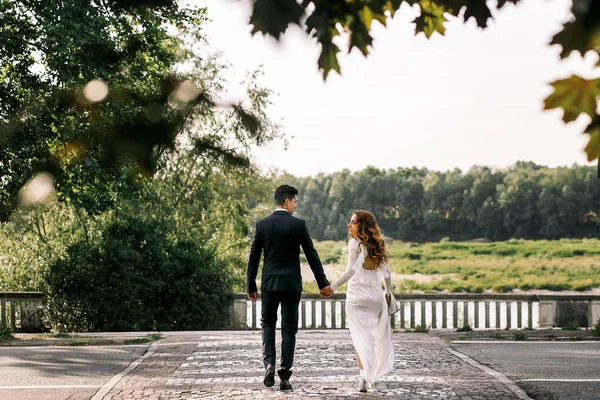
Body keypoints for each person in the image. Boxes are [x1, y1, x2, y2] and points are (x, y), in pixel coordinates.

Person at [247, 184, 333, 391]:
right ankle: (284, 376)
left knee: (267, 323)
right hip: (292, 283)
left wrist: (251, 285)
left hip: (269, 283)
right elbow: (312, 255)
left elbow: (254, 256)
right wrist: (323, 283)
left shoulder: (262, 225)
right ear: (287, 201)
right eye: (295, 201)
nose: (295, 205)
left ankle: (269, 364)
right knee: (289, 329)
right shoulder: (298, 225)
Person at [323, 210, 394, 392]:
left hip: (357, 298)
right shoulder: (378, 245)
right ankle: (370, 378)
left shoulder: (354, 244)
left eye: (353, 222)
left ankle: (364, 377)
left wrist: (333, 287)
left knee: (359, 338)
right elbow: (387, 274)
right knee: (373, 338)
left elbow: (351, 271)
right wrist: (387, 293)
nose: (349, 225)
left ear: (362, 225)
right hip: (376, 298)